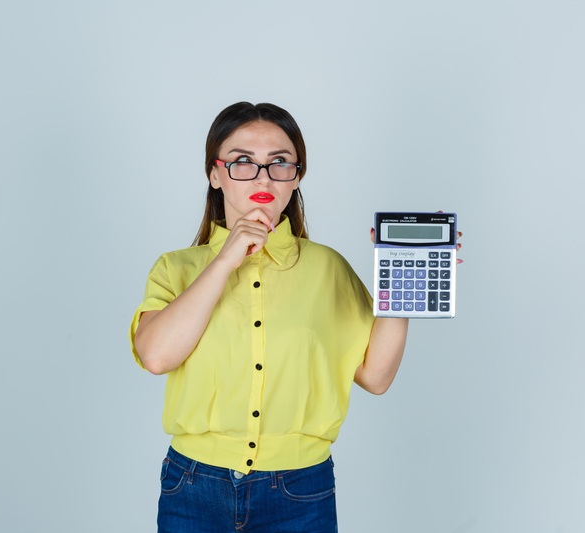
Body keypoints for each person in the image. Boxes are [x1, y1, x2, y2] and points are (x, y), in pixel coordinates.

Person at [129, 101, 461, 532]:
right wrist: (226, 259)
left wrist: (403, 287)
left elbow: (375, 377)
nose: (263, 176)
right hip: (193, 486)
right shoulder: (175, 268)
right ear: (215, 174)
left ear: (297, 176)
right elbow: (156, 356)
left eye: (280, 162)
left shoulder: (327, 268)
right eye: (242, 161)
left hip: (300, 491)